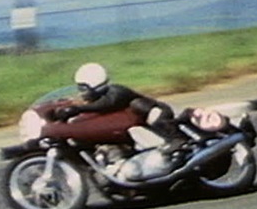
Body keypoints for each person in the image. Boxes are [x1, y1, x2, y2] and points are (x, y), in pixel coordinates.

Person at [55, 63, 185, 152]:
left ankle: (178, 139)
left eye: (83, 88)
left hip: (160, 116)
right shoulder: (95, 100)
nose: (81, 92)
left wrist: (78, 109)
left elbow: (107, 103)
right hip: (136, 132)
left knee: (140, 105)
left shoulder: (116, 91)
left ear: (94, 85)